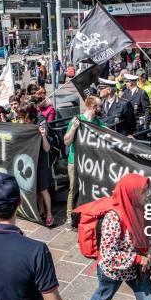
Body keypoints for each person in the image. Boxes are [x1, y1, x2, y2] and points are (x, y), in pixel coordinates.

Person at [64, 96, 105, 224]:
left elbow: (107, 133)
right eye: (100, 106)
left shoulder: (97, 122)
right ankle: (70, 216)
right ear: (93, 107)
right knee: (74, 187)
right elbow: (66, 141)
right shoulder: (77, 120)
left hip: (90, 162)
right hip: (75, 160)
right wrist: (73, 128)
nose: (102, 108)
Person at [17, 103, 54, 226]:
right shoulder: (26, 123)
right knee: (37, 188)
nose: (21, 119)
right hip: (31, 160)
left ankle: (49, 214)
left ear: (29, 114)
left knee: (43, 189)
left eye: (23, 116)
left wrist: (43, 135)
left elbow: (47, 148)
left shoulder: (41, 121)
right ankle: (41, 210)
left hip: (42, 160)